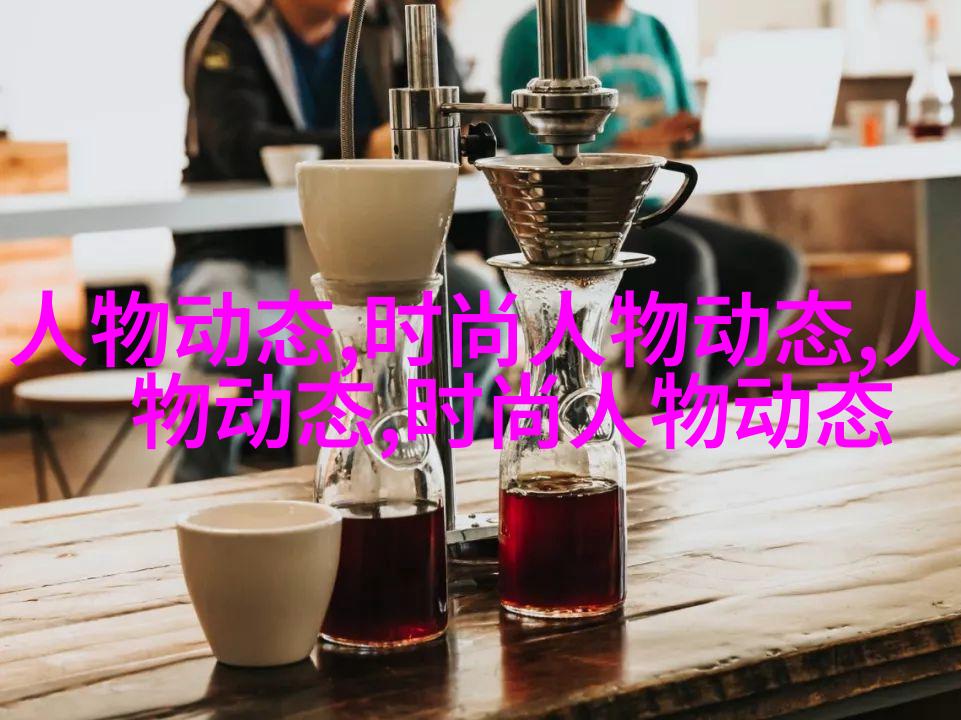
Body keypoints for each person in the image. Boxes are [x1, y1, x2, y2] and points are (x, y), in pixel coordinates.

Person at [176, 0, 500, 481]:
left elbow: (455, 120)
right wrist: (367, 146)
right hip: (241, 254)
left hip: (378, 248)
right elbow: (236, 142)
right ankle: (200, 493)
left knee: (476, 307)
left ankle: (418, 469)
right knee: (243, 341)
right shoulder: (230, 28)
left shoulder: (396, 21)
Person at [498, 0, 804, 386]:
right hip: (555, 219)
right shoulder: (533, 32)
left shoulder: (654, 30)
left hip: (643, 210)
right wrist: (634, 142)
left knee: (775, 264)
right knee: (685, 260)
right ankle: (681, 404)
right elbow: (532, 154)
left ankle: (686, 399)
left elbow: (683, 126)